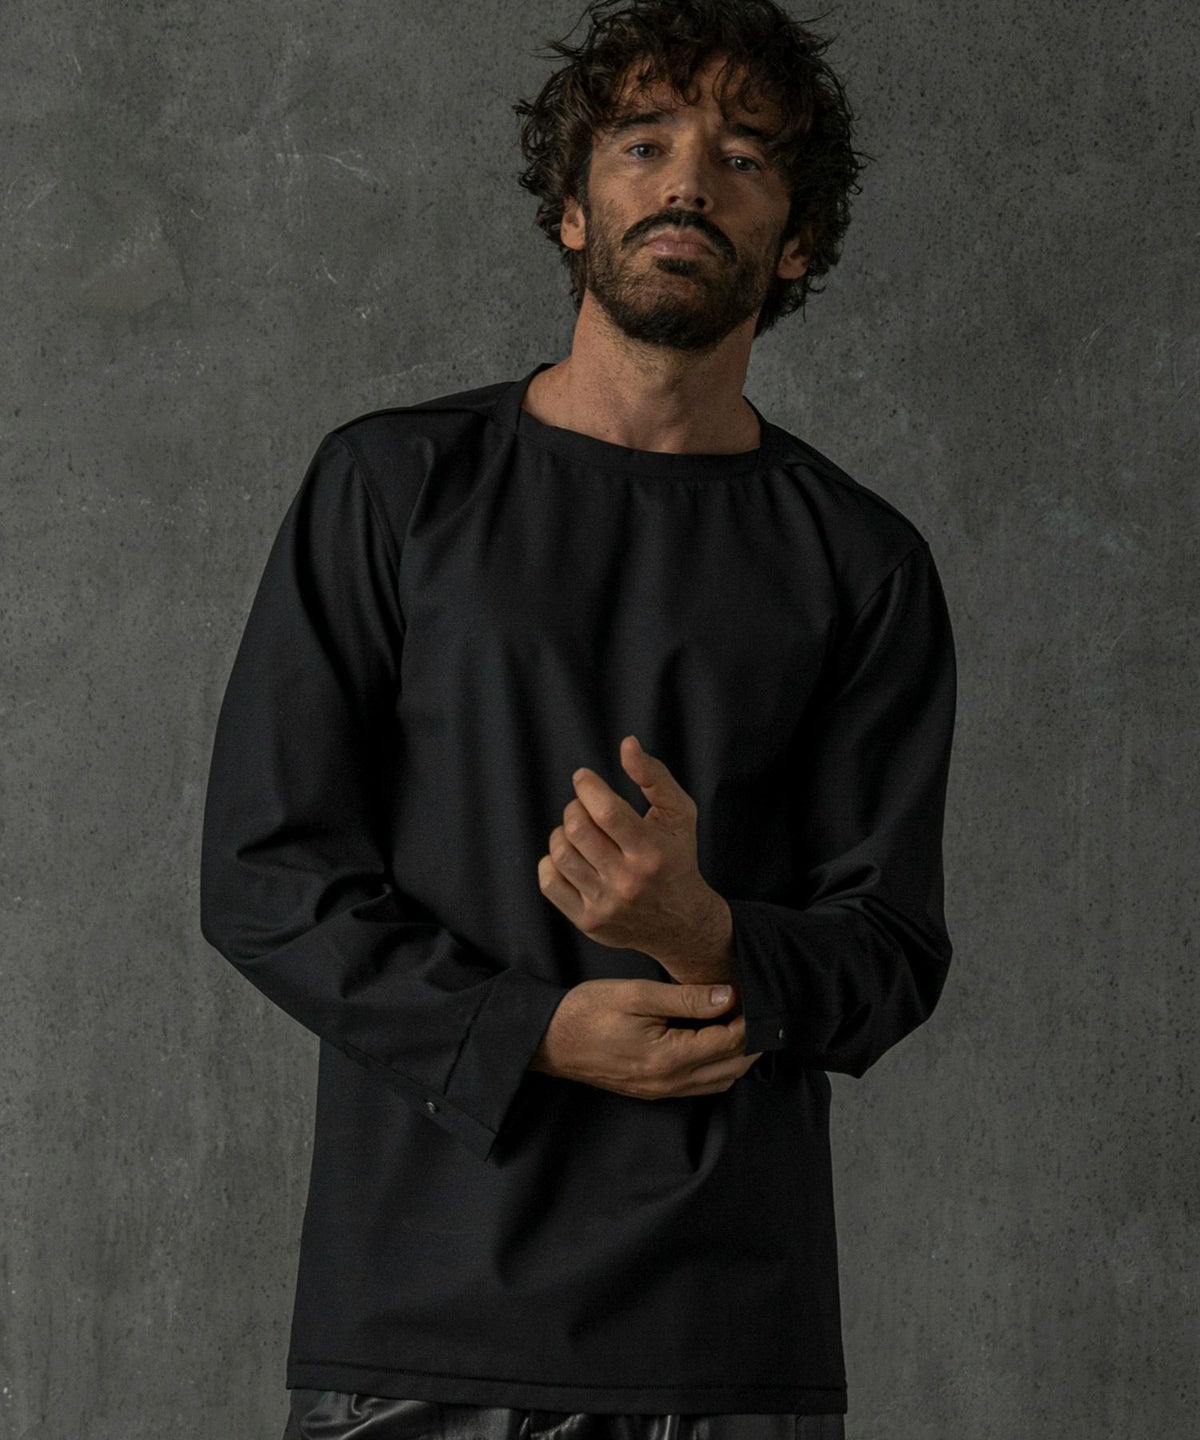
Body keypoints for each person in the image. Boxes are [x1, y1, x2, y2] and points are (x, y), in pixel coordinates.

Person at [199, 1, 958, 1436]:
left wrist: (706, 934)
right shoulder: (392, 488)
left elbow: (892, 955)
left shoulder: (863, 565)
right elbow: (265, 876)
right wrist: (530, 1031)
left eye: (745, 157)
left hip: (724, 1337)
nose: (689, 182)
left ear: (798, 240)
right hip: (420, 1326)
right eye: (643, 144)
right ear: (571, 206)